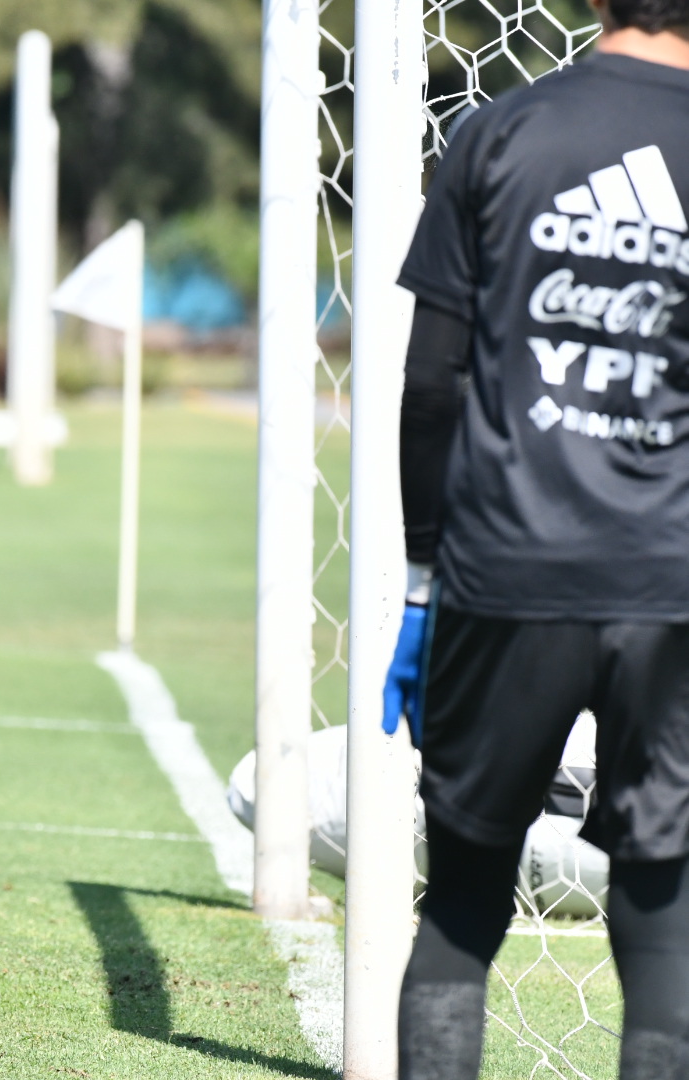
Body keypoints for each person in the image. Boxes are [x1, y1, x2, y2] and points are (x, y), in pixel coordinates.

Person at [381, 1, 689, 1075]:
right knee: (665, 890)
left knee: (465, 895)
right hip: (673, 584)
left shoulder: (502, 130)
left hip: (504, 572)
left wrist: (423, 583)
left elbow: (431, 386)